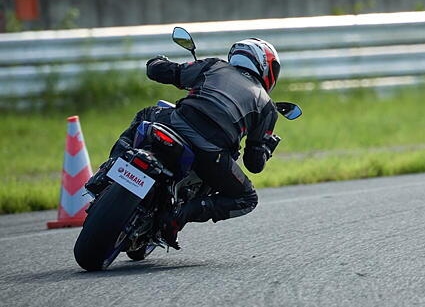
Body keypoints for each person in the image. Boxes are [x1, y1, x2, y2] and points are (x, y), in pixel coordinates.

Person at [85, 38, 283, 249]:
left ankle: (107, 171)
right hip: (211, 153)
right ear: (265, 67)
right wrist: (267, 149)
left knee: (145, 115)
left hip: (175, 124)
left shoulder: (214, 66)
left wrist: (157, 61)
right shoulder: (268, 106)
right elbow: (254, 164)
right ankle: (179, 216)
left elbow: (161, 71)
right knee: (247, 198)